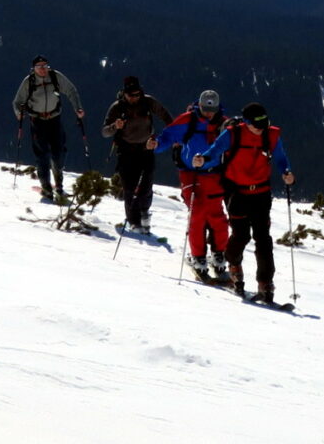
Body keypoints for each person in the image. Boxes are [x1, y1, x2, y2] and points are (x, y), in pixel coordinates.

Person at [197, 101, 295, 304]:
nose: (261, 129)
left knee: (263, 239)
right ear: (247, 123)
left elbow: (280, 157)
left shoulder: (271, 134)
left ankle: (265, 284)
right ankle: (233, 264)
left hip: (261, 192)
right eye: (257, 125)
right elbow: (215, 151)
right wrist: (203, 160)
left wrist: (286, 172)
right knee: (241, 235)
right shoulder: (234, 134)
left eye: (264, 124)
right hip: (237, 192)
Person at [156, 90, 231, 282]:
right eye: (206, 109)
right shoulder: (187, 120)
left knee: (217, 217)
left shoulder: (224, 124)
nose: (208, 113)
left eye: (212, 110)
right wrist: (155, 145)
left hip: (213, 174)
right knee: (197, 214)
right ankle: (199, 257)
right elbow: (168, 136)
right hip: (190, 173)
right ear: (200, 105)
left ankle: (218, 254)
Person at [101, 75, 171, 235]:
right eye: (132, 95)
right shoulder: (117, 108)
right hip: (126, 151)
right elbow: (104, 131)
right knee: (129, 187)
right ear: (124, 93)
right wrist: (114, 126)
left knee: (146, 184)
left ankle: (144, 214)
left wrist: (173, 133)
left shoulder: (148, 102)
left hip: (146, 148)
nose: (135, 97)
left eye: (137, 94)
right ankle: (134, 221)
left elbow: (165, 115)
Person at [11, 55, 85, 203]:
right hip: (37, 121)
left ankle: (58, 186)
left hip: (54, 119)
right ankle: (46, 188)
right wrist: (19, 113)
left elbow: (71, 90)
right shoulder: (29, 82)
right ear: (34, 69)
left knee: (58, 154)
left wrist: (78, 107)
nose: (43, 69)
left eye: (45, 65)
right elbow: (18, 101)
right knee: (42, 155)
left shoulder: (56, 77)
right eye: (40, 67)